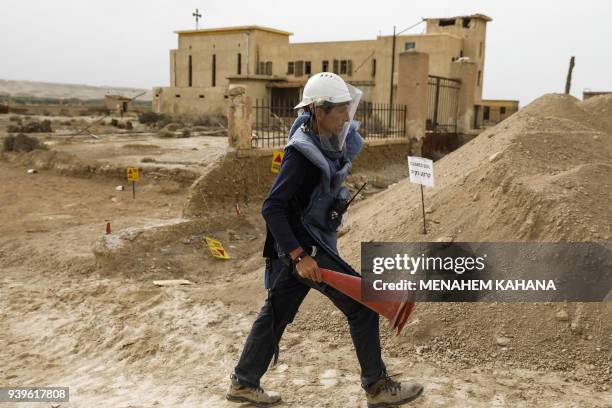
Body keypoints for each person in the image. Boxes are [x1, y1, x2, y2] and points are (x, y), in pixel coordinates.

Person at [226, 72, 423, 407]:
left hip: (297, 245)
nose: (347, 117)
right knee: (364, 305)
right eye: (340, 111)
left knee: (275, 314)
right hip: (304, 246)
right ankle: (377, 388)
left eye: (348, 108)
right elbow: (272, 207)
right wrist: (300, 256)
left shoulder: (322, 140)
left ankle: (244, 384)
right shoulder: (300, 155)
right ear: (319, 110)